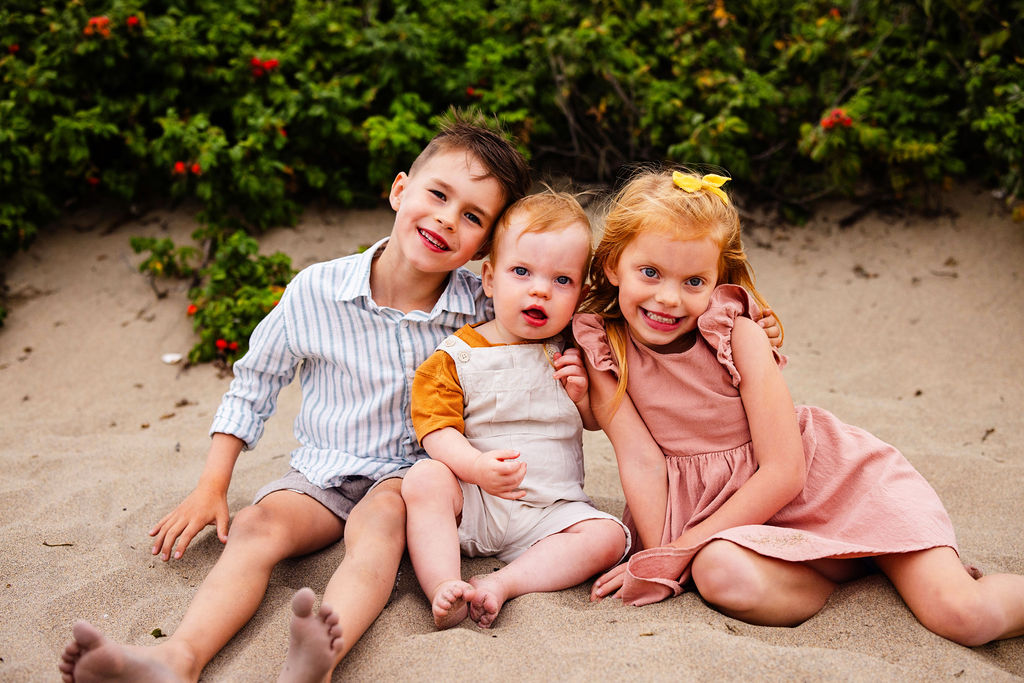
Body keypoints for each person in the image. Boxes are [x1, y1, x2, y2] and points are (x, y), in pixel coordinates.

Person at [58, 110, 532, 683]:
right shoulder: (317, 291)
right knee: (258, 525)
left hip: (409, 481)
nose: (446, 219)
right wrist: (212, 484)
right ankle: (177, 658)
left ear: (487, 245)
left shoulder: (483, 306)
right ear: (399, 189)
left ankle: (317, 661)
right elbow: (255, 382)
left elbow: (545, 325)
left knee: (380, 527)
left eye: (472, 216)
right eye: (437, 194)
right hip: (322, 474)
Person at [575, 167, 1024, 646]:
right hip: (744, 531)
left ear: (717, 281)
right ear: (612, 265)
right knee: (719, 572)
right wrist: (665, 558)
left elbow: (785, 471)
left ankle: (885, 560)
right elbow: (641, 460)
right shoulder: (604, 346)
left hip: (839, 493)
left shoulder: (735, 332)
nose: (668, 298)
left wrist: (677, 550)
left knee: (963, 617)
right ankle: (851, 577)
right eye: (650, 273)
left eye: (693, 281)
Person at [401, 191, 630, 630]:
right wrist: (476, 466)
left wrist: (583, 397)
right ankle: (445, 585)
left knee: (609, 535)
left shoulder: (575, 352)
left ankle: (504, 583)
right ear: (490, 278)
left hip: (551, 511)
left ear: (581, 293)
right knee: (424, 477)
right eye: (521, 272)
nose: (540, 289)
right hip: (477, 502)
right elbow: (435, 431)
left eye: (561, 280)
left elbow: (596, 422)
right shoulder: (454, 357)